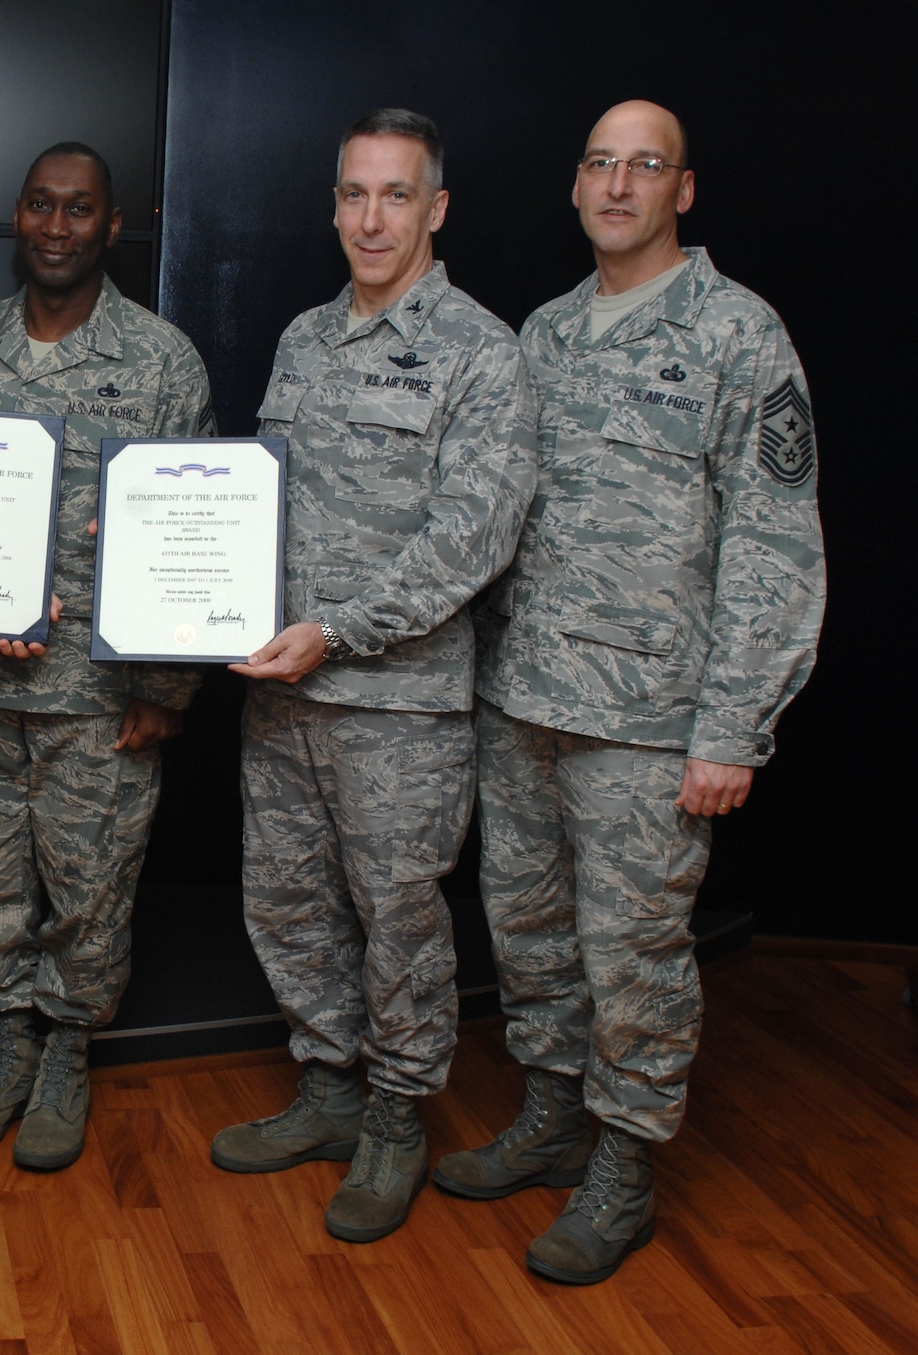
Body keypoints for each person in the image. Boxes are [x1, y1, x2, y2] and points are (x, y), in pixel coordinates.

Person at [439, 100, 826, 1285]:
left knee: (635, 956)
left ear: (682, 189)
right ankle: (553, 1116)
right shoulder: (540, 336)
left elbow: (774, 544)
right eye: (598, 165)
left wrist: (731, 729)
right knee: (530, 938)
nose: (616, 186)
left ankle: (623, 1163)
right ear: (573, 187)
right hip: (525, 706)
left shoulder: (735, 334)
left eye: (642, 166)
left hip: (651, 729)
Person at [208, 109, 535, 1243]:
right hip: (283, 692)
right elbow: (258, 507)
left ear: (434, 210)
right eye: (352, 193)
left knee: (396, 917)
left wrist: (335, 629)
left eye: (395, 195)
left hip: (396, 705)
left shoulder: (483, 354)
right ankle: (330, 1089)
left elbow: (469, 539)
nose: (369, 217)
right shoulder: (302, 338)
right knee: (288, 903)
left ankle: (397, 1116)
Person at [0, 143, 214, 1171]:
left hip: (100, 694)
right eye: (38, 204)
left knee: (92, 882)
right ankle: (5, 1043)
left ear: (109, 224)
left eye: (76, 208)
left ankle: (66, 1052)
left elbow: (191, 532)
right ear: (16, 215)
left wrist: (165, 688)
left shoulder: (163, 361)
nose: (54, 225)